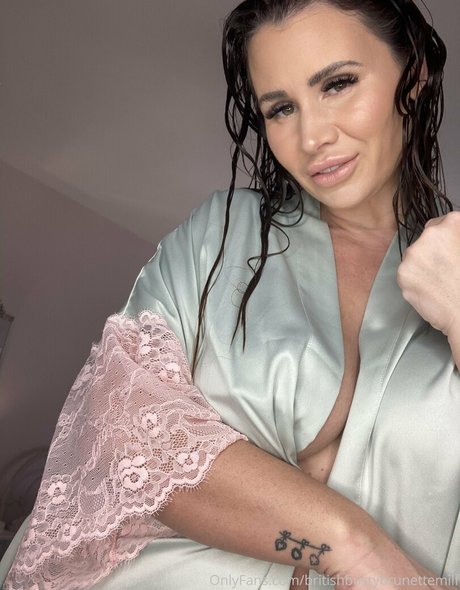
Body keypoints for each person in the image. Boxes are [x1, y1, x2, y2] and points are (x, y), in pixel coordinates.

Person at [1, 0, 459, 588]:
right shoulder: (220, 236)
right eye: (281, 108)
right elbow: (125, 430)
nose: (312, 136)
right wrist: (353, 547)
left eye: (338, 84)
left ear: (413, 73)